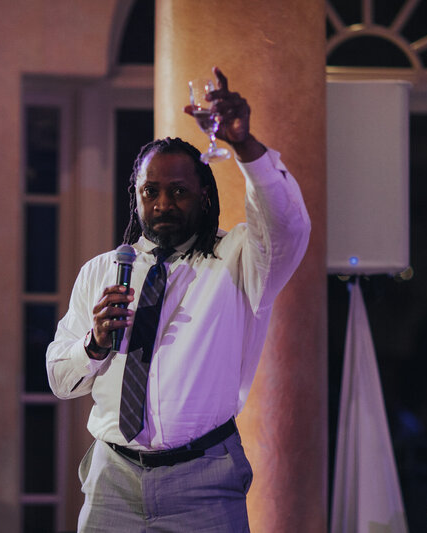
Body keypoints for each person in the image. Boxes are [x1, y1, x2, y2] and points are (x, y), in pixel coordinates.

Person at [46, 67, 310, 532]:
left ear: (205, 198)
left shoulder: (239, 259)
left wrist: (245, 147)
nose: (163, 203)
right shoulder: (102, 270)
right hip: (113, 480)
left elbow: (288, 226)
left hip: (203, 481)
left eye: (179, 191)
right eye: (151, 191)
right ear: (137, 198)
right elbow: (60, 379)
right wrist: (94, 343)